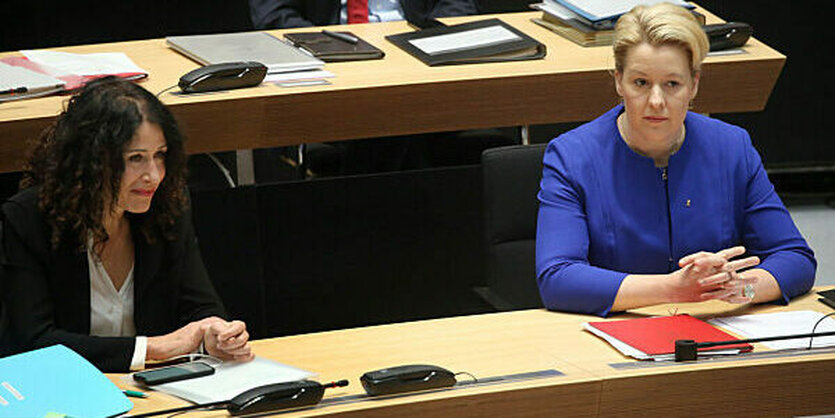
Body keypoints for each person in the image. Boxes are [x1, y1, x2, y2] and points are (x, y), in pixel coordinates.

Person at [535, 3, 816, 316]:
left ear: (694, 85)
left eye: (672, 84)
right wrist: (673, 288)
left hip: (715, 327)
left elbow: (795, 256)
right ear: (618, 81)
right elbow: (558, 279)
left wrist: (743, 287)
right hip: (614, 330)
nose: (656, 101)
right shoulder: (572, 156)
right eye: (640, 83)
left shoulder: (731, 146)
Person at [0, 77, 254, 372]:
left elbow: (200, 307)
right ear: (92, 160)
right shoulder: (27, 219)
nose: (154, 176)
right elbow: (33, 342)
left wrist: (215, 334)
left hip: (155, 390)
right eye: (136, 158)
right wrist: (155, 348)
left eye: (159, 155)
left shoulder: (167, 206)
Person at [249, 0, 479, 30]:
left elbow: (457, 4)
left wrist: (434, 38)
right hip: (330, 56)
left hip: (416, 51)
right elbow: (273, 14)